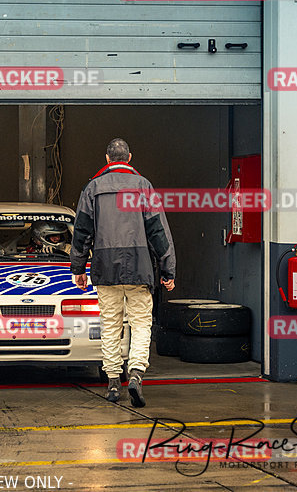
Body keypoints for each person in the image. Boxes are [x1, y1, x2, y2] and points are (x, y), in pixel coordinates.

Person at [70, 138, 175, 408]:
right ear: (129, 157)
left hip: (105, 267)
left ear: (107, 159)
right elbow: (158, 231)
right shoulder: (143, 186)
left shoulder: (92, 188)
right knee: (141, 323)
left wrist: (78, 268)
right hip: (139, 267)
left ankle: (114, 382)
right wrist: (167, 270)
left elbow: (82, 231)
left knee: (111, 325)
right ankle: (136, 374)